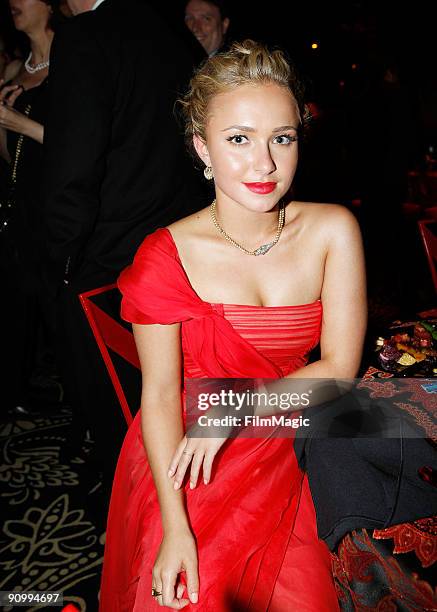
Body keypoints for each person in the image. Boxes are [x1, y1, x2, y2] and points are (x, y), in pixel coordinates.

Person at [99, 40, 367, 610]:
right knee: (194, 590)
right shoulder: (163, 254)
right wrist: (175, 528)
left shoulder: (332, 229)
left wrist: (235, 413)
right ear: (202, 148)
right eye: (239, 139)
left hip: (297, 421)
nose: (265, 163)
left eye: (282, 138)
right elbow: (162, 396)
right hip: (187, 453)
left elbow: (339, 370)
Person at [42, 0, 205, 504]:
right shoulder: (166, 29)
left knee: (122, 407)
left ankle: (138, 510)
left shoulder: (85, 35)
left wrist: (61, 257)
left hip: (113, 259)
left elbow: (74, 162)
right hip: (186, 243)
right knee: (176, 393)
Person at [0, 0, 58, 412]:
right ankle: (15, 391)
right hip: (16, 199)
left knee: (57, 310)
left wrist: (22, 124)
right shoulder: (12, 70)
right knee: (14, 306)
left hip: (56, 204)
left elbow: (81, 150)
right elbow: (8, 155)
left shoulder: (75, 62)